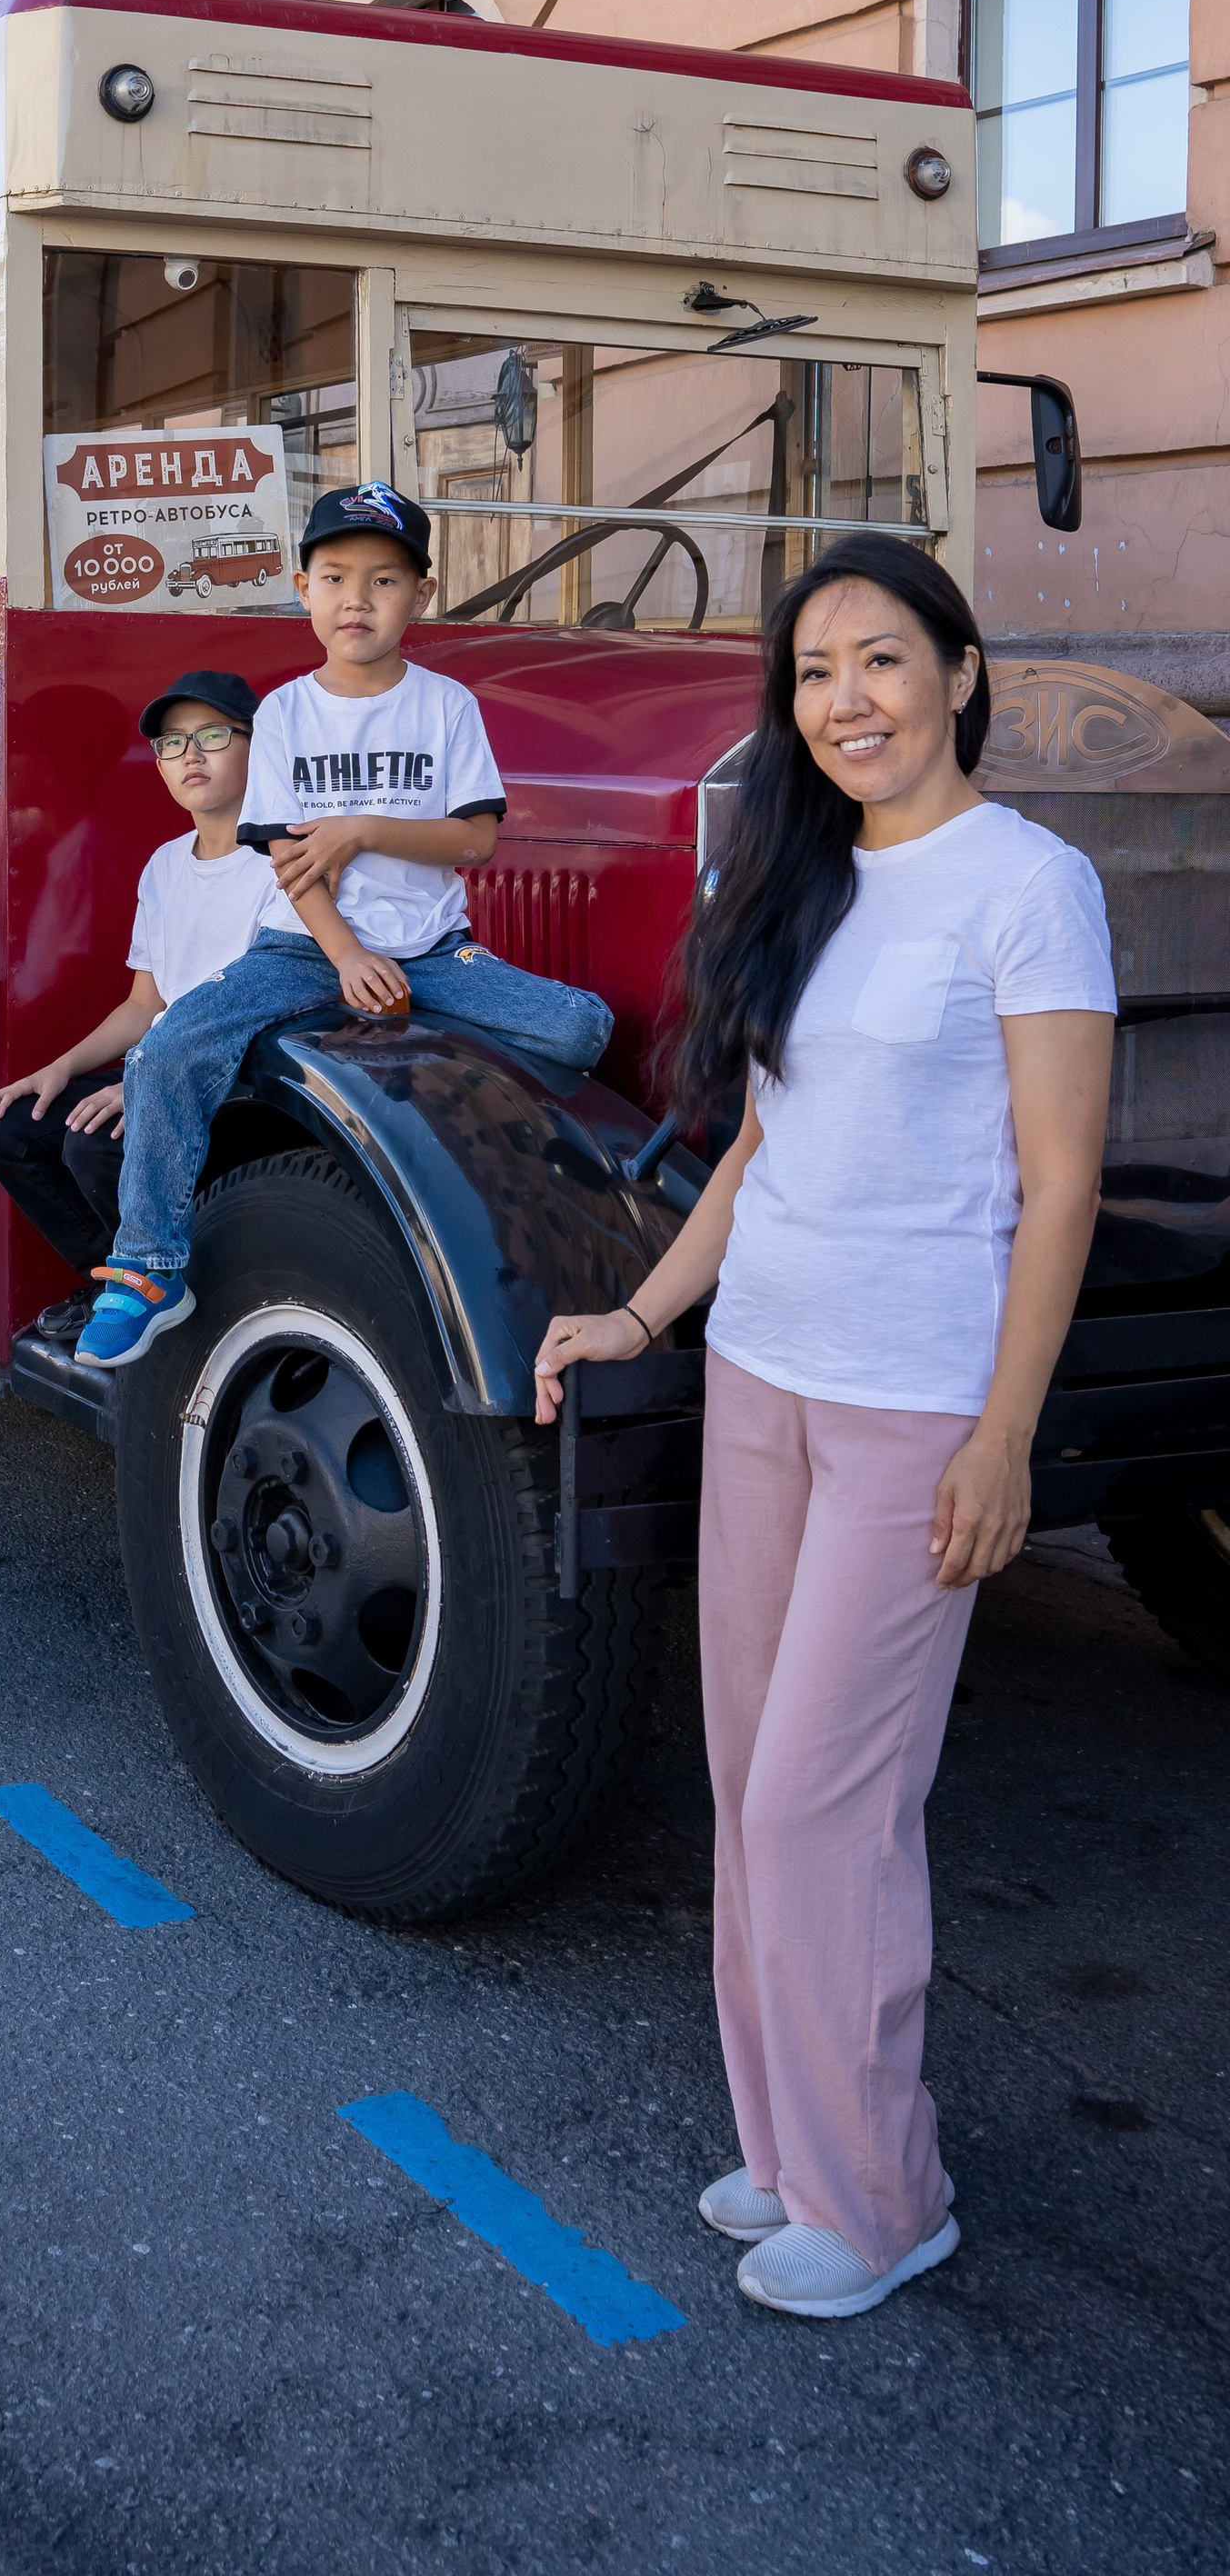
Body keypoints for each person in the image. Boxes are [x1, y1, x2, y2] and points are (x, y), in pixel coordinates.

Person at [533, 532, 1115, 2323]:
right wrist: (640, 1313)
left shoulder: (1026, 882)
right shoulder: (801, 879)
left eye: (876, 660)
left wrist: (999, 1436)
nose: (841, 699)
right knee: (743, 1786)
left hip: (911, 1400)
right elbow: (760, 1150)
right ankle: (786, 2149)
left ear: (953, 674)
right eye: (808, 673)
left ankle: (884, 2199)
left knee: (821, 1806)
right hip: (762, 1376)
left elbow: (1060, 1175)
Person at [75, 482, 614, 1367]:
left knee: (579, 1025)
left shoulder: (444, 706)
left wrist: (362, 828)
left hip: (436, 952)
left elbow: (475, 838)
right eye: (334, 577)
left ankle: (557, 1212)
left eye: (383, 580)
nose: (356, 599)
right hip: (301, 948)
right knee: (168, 1047)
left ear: (422, 595)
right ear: (302, 587)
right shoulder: (286, 712)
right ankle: (148, 1266)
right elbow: (286, 859)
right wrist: (346, 954)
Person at [0, 670, 277, 1346]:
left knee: (93, 1144)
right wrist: (60, 1068)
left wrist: (138, 1083)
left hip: (241, 1088)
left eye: (212, 736)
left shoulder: (284, 863)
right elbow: (147, 1003)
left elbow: (262, 1017)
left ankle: (160, 1292)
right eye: (172, 744)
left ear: (260, 746)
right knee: (12, 1128)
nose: (190, 756)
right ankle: (116, 1280)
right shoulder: (167, 865)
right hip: (161, 1070)